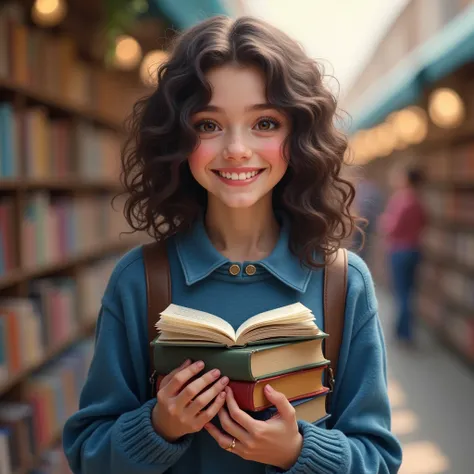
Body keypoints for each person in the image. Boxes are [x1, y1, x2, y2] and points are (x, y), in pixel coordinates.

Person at [63, 16, 402, 474]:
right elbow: (87, 454)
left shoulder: (343, 282)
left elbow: (380, 459)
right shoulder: (140, 279)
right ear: (179, 139)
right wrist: (159, 426)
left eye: (265, 122)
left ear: (298, 135)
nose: (237, 148)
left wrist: (297, 453)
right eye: (208, 124)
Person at [379, 164, 426, 344]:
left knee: (401, 292)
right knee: (409, 292)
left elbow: (391, 227)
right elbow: (424, 223)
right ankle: (405, 331)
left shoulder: (401, 200)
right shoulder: (419, 200)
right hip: (414, 250)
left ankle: (402, 332)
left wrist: (384, 221)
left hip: (399, 250)